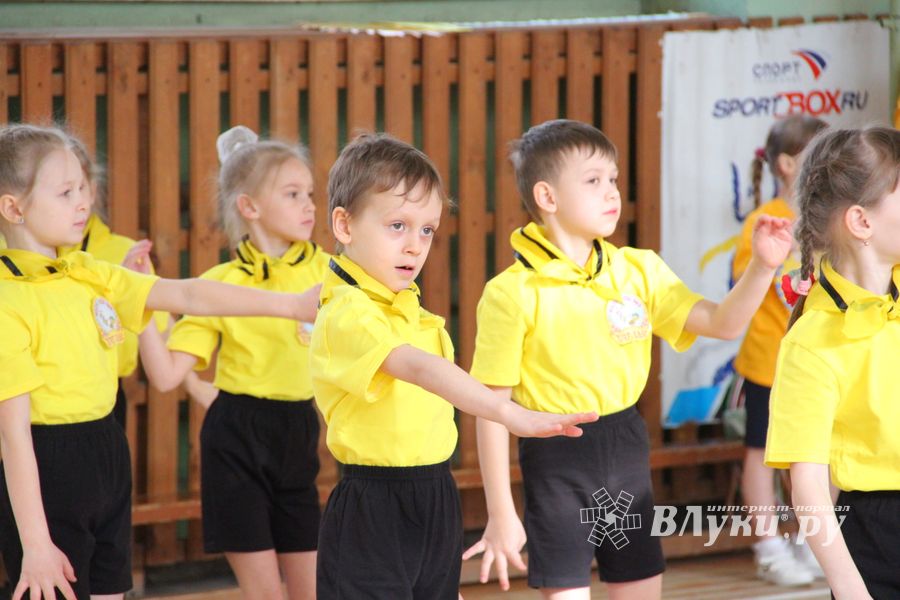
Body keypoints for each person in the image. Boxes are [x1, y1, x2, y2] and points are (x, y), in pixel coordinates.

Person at [463, 119, 793, 599]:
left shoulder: (639, 269)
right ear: (547, 197)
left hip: (625, 447)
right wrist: (500, 512)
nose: (611, 191)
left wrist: (763, 267)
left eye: (614, 178)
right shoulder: (510, 293)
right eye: (593, 180)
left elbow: (722, 323)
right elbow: (490, 408)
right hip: (556, 458)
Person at [0, 124, 320, 600]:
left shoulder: (90, 272)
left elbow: (190, 294)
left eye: (83, 189)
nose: (83, 202)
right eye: (66, 193)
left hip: (107, 451)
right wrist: (35, 542)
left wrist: (292, 305)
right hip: (49, 463)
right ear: (13, 208)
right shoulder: (8, 301)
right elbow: (13, 434)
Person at [309, 132, 599, 599]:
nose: (415, 245)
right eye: (397, 225)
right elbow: (420, 368)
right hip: (374, 506)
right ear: (344, 225)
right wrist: (506, 412)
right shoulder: (347, 312)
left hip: (435, 494)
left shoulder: (408, 305)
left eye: (427, 230)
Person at [138, 126, 327, 600]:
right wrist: (138, 303)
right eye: (292, 194)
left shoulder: (331, 273)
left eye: (309, 193)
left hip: (298, 433)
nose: (309, 205)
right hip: (235, 441)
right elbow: (165, 375)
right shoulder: (218, 284)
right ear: (249, 206)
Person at [765, 127, 900, 600]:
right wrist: (849, 589)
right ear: (861, 221)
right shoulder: (812, 342)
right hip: (877, 537)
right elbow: (808, 488)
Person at [733, 115, 827, 585]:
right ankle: (769, 547)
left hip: (819, 364)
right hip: (768, 365)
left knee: (816, 457)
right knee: (760, 452)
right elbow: (747, 283)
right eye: (817, 153)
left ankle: (814, 542)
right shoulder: (765, 219)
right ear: (787, 164)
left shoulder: (831, 217)